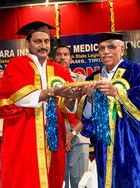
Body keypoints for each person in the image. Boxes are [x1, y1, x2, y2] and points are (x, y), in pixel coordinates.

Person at [0, 21, 79, 188]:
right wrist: (51, 92)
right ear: (27, 43)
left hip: (53, 135)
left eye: (46, 42)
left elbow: (67, 108)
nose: (43, 46)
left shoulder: (60, 70)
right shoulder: (17, 65)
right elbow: (19, 97)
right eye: (38, 41)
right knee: (24, 178)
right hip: (24, 131)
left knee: (53, 177)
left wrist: (71, 98)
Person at [80, 32, 140, 188]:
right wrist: (89, 99)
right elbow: (87, 117)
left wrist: (117, 92)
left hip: (132, 141)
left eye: (111, 47)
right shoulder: (93, 78)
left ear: (122, 50)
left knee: (134, 181)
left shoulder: (135, 71)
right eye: (101, 48)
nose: (106, 51)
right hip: (105, 143)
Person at [54, 44, 90, 188]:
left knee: (80, 183)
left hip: (79, 138)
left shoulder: (82, 80)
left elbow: (87, 111)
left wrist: (72, 133)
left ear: (71, 58)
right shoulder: (47, 80)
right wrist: (62, 135)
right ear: (53, 58)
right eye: (58, 54)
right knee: (58, 182)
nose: (62, 57)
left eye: (66, 54)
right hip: (55, 139)